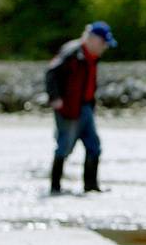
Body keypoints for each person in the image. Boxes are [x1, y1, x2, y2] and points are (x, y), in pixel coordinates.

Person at [45, 21, 117, 195]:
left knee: (94, 146)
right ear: (93, 39)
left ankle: (91, 186)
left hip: (86, 107)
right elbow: (51, 73)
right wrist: (55, 98)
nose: (104, 47)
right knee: (64, 146)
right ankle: (55, 187)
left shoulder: (92, 57)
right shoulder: (72, 52)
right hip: (69, 109)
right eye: (103, 43)